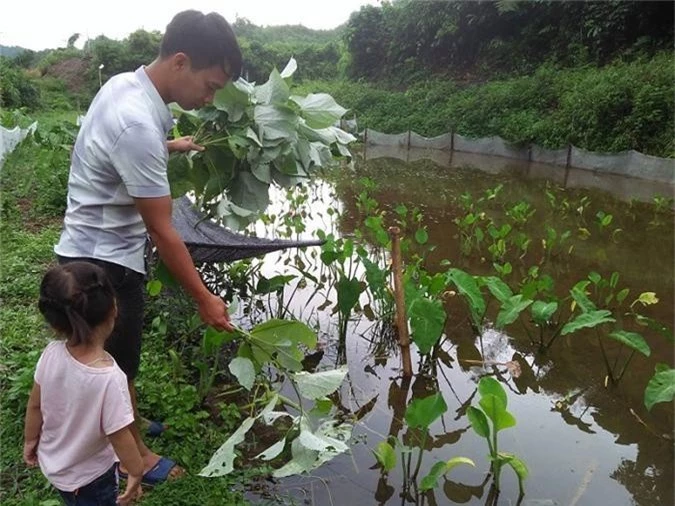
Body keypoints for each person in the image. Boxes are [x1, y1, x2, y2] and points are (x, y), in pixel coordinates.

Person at [52, 10, 242, 484]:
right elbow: (163, 230)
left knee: (114, 361)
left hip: (86, 245)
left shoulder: (127, 86)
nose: (210, 96)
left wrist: (171, 144)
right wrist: (204, 299)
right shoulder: (137, 124)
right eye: (211, 85)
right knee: (116, 366)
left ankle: (126, 425)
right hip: (103, 263)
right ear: (181, 62)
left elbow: (129, 140)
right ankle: (133, 455)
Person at [23, 262, 143, 506]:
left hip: (55, 467)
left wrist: (29, 441)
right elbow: (120, 436)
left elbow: (34, 405)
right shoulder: (110, 379)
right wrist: (136, 470)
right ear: (114, 309)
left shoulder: (51, 354)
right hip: (91, 478)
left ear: (56, 323)